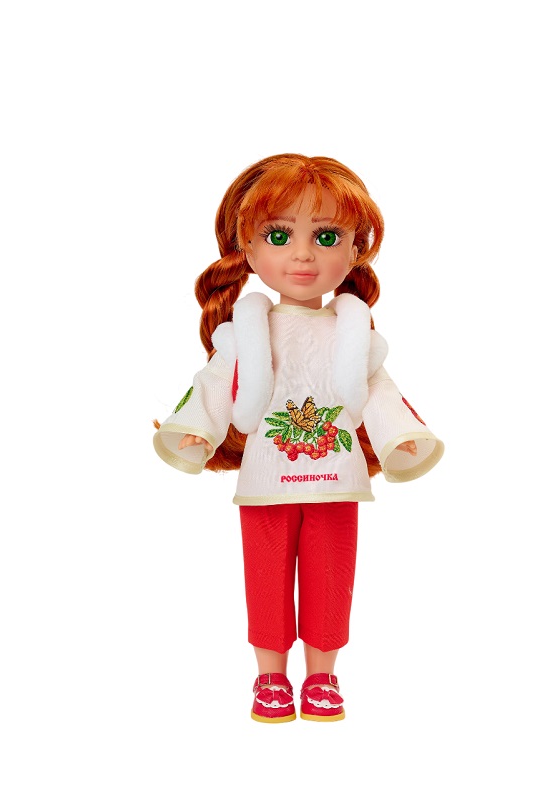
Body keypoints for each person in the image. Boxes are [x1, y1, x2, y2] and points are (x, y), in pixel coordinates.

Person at [153, 153, 444, 722]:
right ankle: (270, 676)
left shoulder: (352, 336)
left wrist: (400, 435)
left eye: (327, 236)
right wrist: (197, 430)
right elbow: (215, 384)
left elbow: (380, 393)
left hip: (337, 478)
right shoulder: (246, 334)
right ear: (248, 248)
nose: (303, 254)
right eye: (279, 235)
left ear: (355, 250)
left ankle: (321, 676)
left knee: (332, 577)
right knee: (264, 577)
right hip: (266, 477)